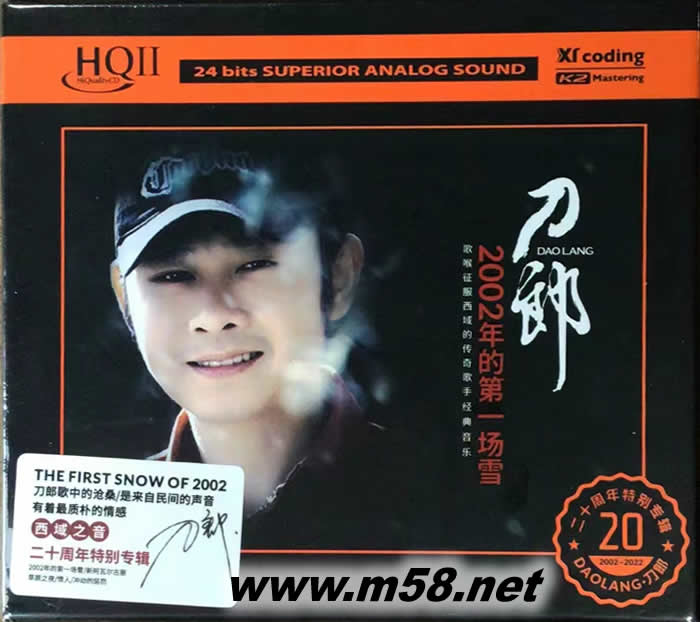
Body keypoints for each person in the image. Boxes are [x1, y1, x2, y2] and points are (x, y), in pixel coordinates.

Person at [109, 148, 410, 547]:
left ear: (339, 277)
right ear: (125, 300)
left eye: (253, 265)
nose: (213, 314)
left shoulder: (434, 498)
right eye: (173, 275)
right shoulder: (113, 532)